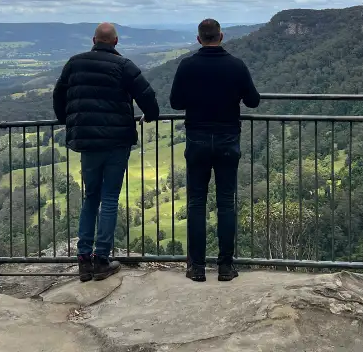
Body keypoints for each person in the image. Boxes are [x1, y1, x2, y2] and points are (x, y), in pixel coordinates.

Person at [53, 22, 160, 282]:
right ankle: (102, 259)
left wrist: (66, 120)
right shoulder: (123, 66)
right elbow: (147, 95)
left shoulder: (75, 63)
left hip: (88, 143)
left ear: (93, 40)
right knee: (110, 198)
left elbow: (59, 95)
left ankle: (83, 260)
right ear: (115, 41)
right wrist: (151, 115)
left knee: (91, 197)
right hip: (116, 141)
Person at [170, 18, 261, 282]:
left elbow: (176, 102)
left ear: (199, 39)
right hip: (227, 139)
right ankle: (225, 267)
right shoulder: (236, 65)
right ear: (221, 36)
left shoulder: (187, 65)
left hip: (197, 139)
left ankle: (196, 267)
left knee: (197, 203)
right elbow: (253, 101)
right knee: (225, 203)